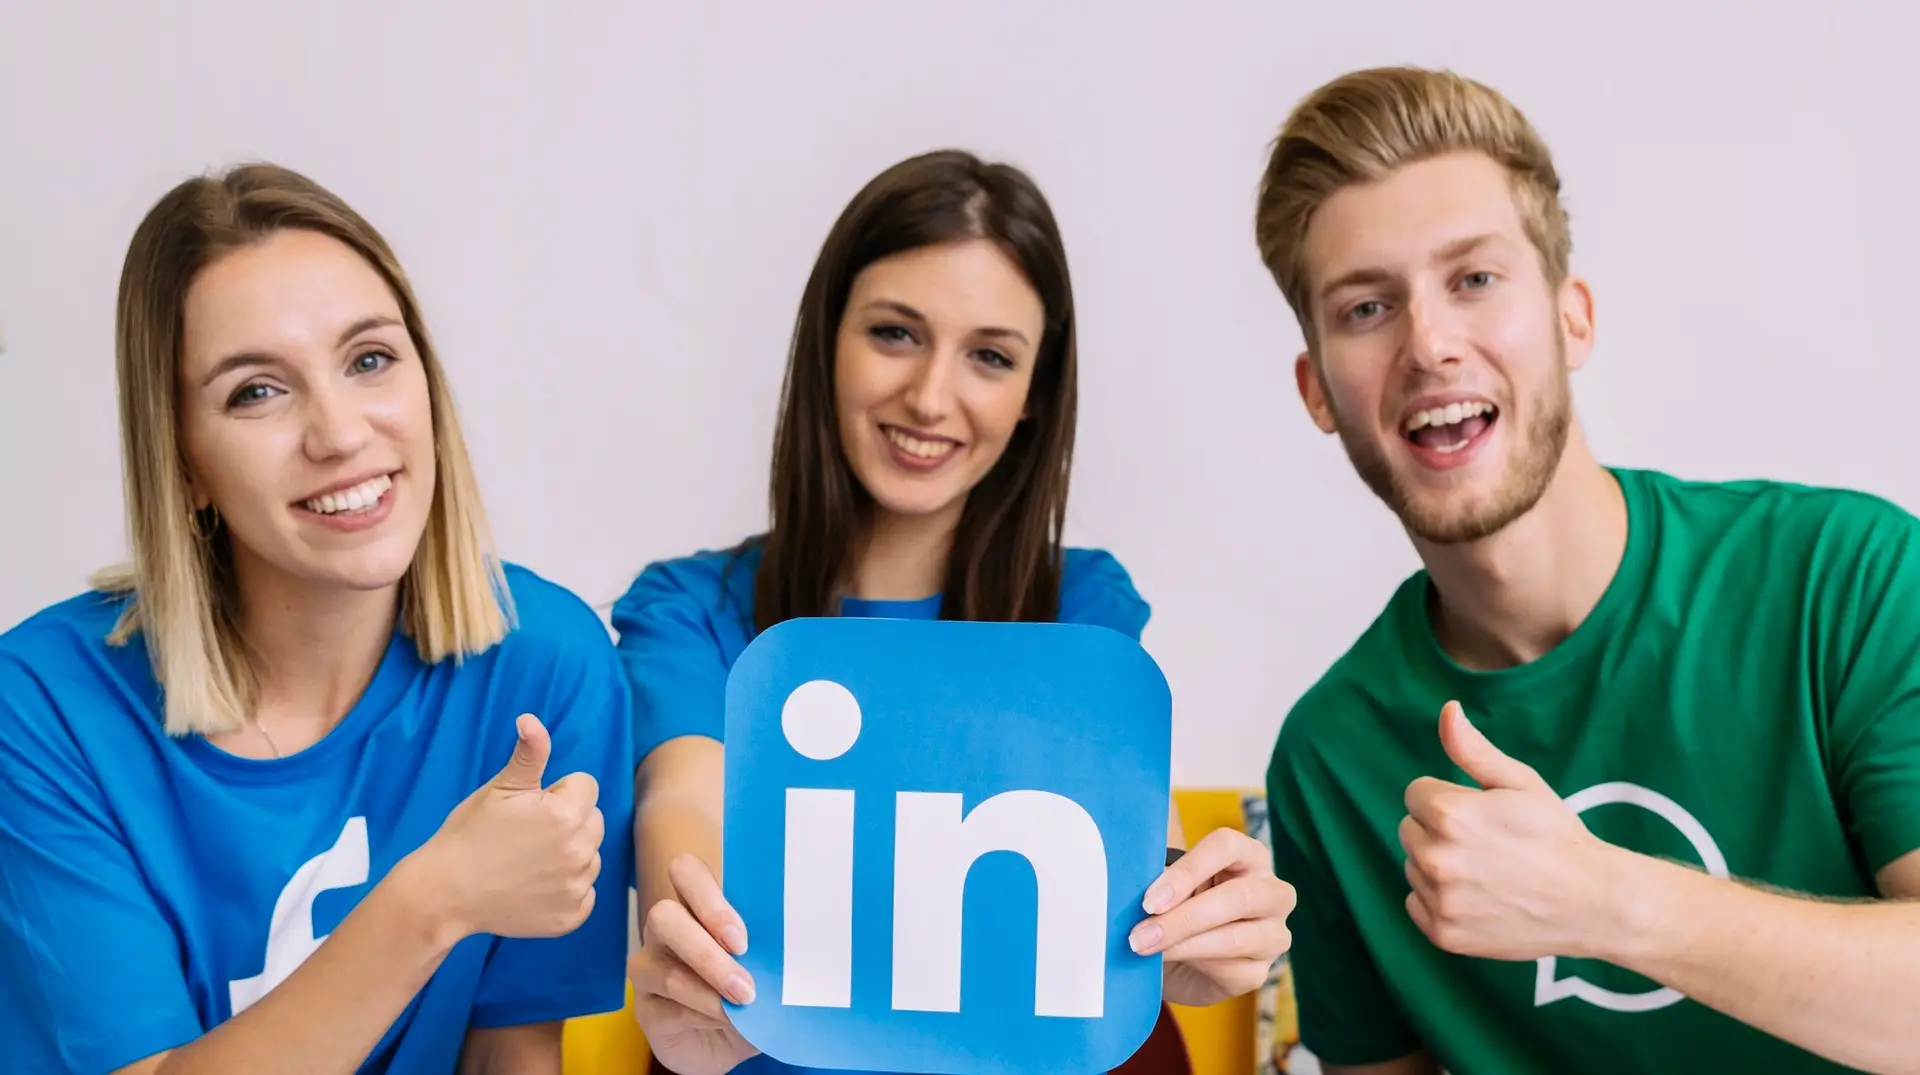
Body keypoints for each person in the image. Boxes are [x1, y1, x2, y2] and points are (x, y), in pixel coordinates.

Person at [1253, 65, 1920, 1075]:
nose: (1430, 343)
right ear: (1317, 390)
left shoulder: (1847, 578)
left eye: (1473, 278)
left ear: (1573, 320)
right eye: (1365, 308)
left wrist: (1605, 901)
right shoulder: (1329, 758)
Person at [614, 149, 1296, 1074]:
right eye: (895, 333)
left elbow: (1133, 877)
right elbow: (685, 825)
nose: (932, 397)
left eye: (989, 355)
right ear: (827, 342)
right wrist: (692, 961)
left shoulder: (1081, 607)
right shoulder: (690, 611)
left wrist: (1205, 928)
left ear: (1032, 397)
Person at [0, 163, 635, 1074]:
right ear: (182, 464)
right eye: (257, 390)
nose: (338, 433)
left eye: (369, 359)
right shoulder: (42, 709)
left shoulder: (546, 664)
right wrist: (432, 899)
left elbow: (512, 1053)